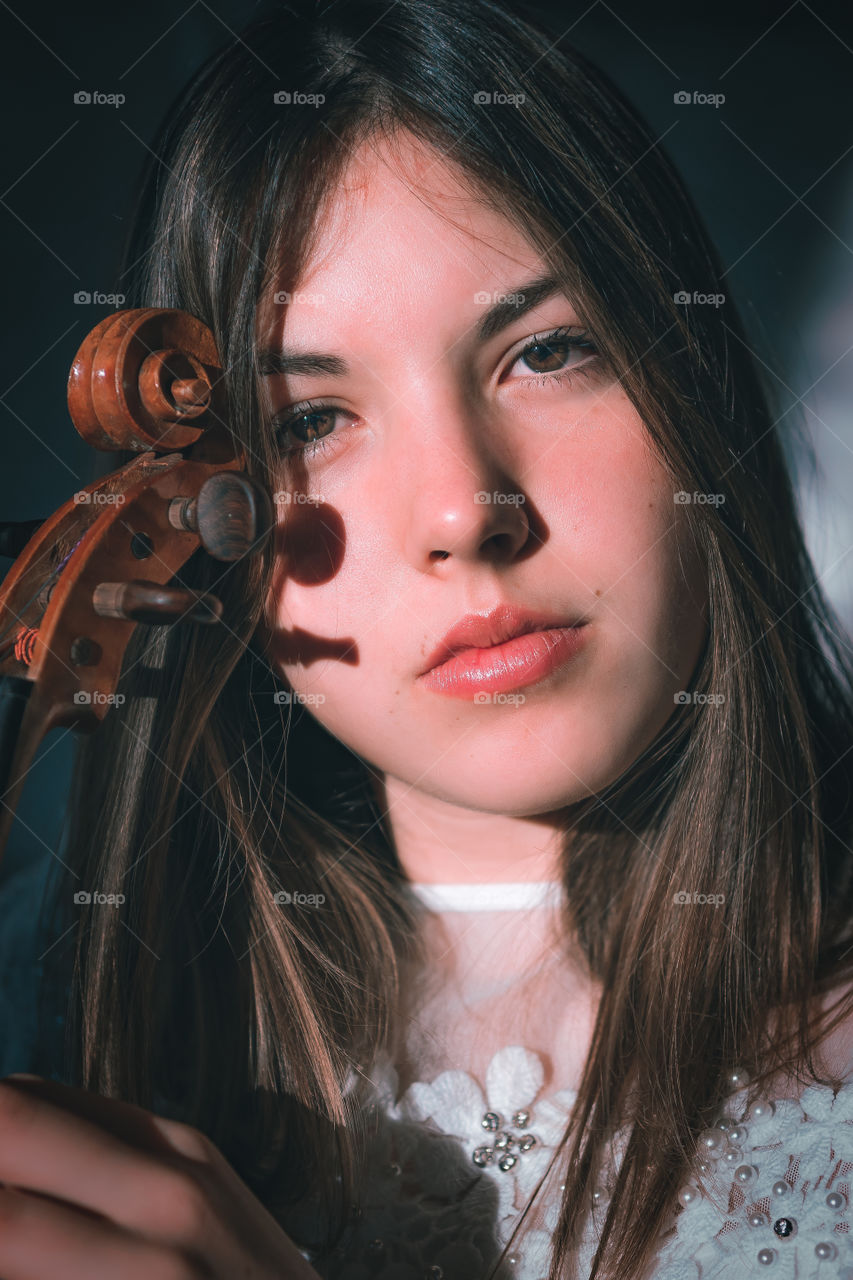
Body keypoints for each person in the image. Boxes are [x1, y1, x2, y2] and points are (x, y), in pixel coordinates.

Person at [4, 0, 853, 1277]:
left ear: (689, 380)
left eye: (547, 350)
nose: (465, 509)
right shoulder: (71, 1018)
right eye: (307, 423)